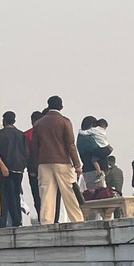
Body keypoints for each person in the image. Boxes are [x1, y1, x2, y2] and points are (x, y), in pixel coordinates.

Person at [30, 96, 84, 224]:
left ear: (48, 105)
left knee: (46, 193)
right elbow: (70, 145)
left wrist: (34, 165)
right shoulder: (64, 121)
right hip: (62, 161)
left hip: (44, 162)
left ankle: (46, 221)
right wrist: (77, 164)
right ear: (61, 106)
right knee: (68, 192)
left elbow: (34, 147)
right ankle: (77, 219)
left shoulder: (39, 124)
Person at [0, 111, 30, 227]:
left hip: (5, 168)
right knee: (16, 193)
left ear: (3, 121)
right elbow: (26, 151)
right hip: (19, 168)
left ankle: (6, 220)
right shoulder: (21, 134)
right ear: (14, 121)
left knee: (6, 195)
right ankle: (17, 219)